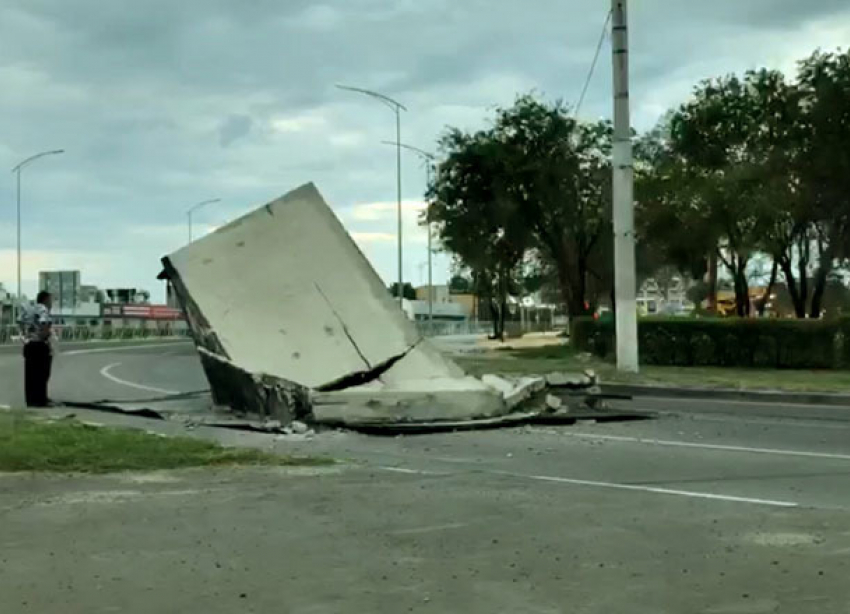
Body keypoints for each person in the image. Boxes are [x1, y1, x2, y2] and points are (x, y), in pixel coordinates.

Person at [19, 291, 54, 407]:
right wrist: (45, 335)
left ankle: (31, 400)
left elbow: (20, 321)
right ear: (45, 300)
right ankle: (40, 400)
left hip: (28, 344)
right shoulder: (42, 309)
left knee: (30, 375)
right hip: (39, 344)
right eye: (50, 300)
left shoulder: (29, 308)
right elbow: (44, 323)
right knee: (42, 374)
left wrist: (25, 335)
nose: (51, 303)